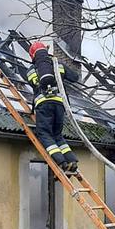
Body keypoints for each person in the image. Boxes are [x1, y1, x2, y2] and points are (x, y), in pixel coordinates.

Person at [26, 41, 79, 172]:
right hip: (60, 105)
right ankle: (71, 161)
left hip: (44, 104)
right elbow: (75, 77)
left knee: (44, 133)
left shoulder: (31, 70)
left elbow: (33, 84)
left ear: (32, 56)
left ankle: (61, 161)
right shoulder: (58, 65)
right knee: (57, 135)